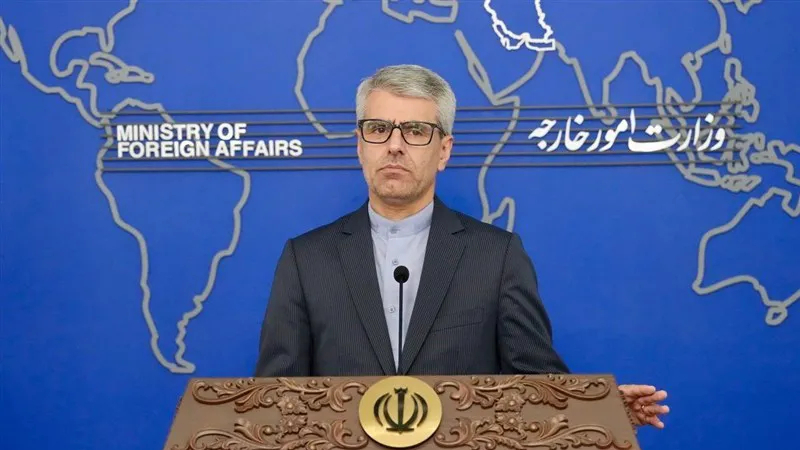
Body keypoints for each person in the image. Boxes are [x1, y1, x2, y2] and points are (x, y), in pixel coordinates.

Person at [254, 64, 669, 429]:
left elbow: (537, 386)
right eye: (378, 129)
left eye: (415, 131)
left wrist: (601, 413)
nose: (394, 145)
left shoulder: (496, 257)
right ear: (360, 145)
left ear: (444, 151)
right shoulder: (306, 260)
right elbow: (272, 403)